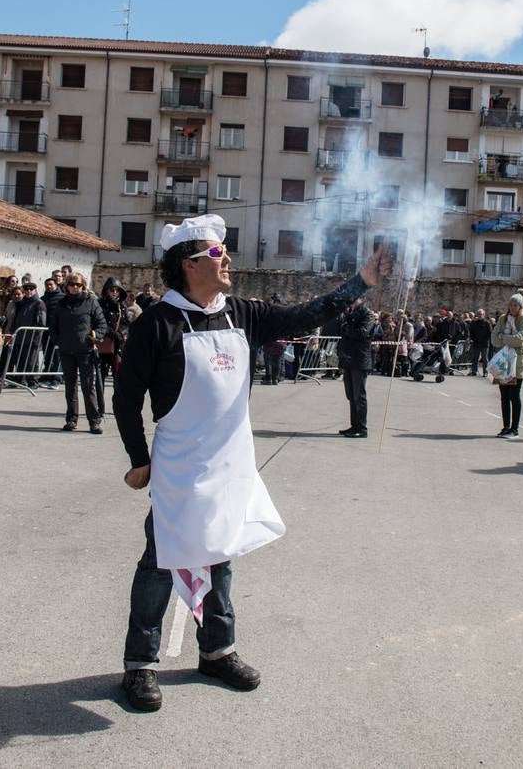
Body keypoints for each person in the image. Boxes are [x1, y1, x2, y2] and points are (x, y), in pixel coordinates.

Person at [113, 214, 391, 712]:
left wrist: (361, 283)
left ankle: (217, 651)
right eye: (219, 253)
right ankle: (140, 664)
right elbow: (127, 396)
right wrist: (138, 458)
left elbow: (308, 314)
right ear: (189, 263)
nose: (228, 261)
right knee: (161, 563)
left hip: (230, 465)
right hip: (178, 469)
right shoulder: (159, 321)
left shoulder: (242, 312)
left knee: (221, 557)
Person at [49, 272, 107, 433]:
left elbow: (102, 324)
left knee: (88, 387)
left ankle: (94, 421)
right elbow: (53, 326)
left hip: (86, 351)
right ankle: (71, 419)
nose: (75, 287)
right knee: (70, 387)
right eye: (72, 284)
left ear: (83, 286)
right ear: (67, 286)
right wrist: (58, 340)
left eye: (79, 285)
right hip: (66, 350)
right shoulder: (61, 304)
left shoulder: (91, 302)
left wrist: (94, 339)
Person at [491, 288, 523, 439]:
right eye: (511, 305)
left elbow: (520, 339)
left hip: (517, 362)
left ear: (520, 307)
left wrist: (503, 336)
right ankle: (506, 427)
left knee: (514, 395)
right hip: (503, 361)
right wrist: (505, 336)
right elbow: (494, 339)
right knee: (504, 396)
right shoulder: (502, 319)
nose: (513, 308)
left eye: (516, 305)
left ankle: (515, 429)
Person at [337, 297, 375, 438]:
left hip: (359, 360)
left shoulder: (367, 314)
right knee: (351, 395)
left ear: (362, 299)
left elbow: (362, 333)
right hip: (348, 359)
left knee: (359, 396)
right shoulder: (350, 313)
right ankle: (354, 426)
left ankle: (362, 428)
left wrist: (347, 328)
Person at [14, 282, 47, 387]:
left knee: (32, 362)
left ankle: (33, 382)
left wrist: (36, 337)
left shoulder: (39, 303)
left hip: (32, 338)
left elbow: (41, 322)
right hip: (21, 337)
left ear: (35, 290)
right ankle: (20, 380)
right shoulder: (22, 303)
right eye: (26, 289)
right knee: (20, 360)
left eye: (31, 289)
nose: (28, 291)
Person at [98, 277, 129, 384]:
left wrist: (122, 333)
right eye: (112, 290)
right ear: (107, 290)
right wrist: (112, 333)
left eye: (117, 290)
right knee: (101, 373)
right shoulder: (100, 304)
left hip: (118, 344)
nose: (115, 292)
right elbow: (98, 322)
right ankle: (100, 400)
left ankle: (118, 400)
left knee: (118, 374)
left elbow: (126, 323)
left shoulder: (122, 305)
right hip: (104, 342)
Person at [41, 278, 65, 388]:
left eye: (51, 284)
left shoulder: (63, 298)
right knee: (47, 356)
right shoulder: (43, 298)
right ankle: (48, 376)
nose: (49, 287)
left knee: (57, 356)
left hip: (58, 332)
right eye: (47, 285)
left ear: (56, 285)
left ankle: (56, 379)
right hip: (45, 332)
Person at [469, 309, 492, 376]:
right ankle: (474, 371)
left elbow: (489, 333)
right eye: (478, 314)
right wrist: (473, 339)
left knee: (485, 359)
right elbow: (471, 332)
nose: (479, 315)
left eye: (481, 314)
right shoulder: (474, 323)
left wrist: (485, 340)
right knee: (475, 358)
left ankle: (485, 372)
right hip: (476, 344)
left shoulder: (487, 323)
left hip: (484, 344)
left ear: (483, 315)